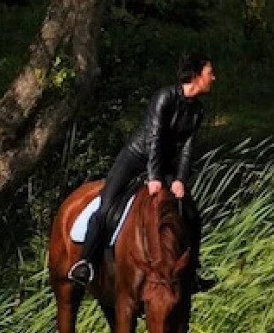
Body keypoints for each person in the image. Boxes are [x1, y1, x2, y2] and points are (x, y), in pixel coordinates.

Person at [68, 53, 214, 288]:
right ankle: (86, 262)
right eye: (209, 73)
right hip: (135, 158)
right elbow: (155, 138)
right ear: (197, 76)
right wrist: (154, 176)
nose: (213, 78)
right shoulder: (164, 97)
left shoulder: (197, 110)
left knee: (192, 214)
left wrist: (180, 180)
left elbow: (188, 148)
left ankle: (192, 271)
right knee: (105, 207)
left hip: (163, 164)